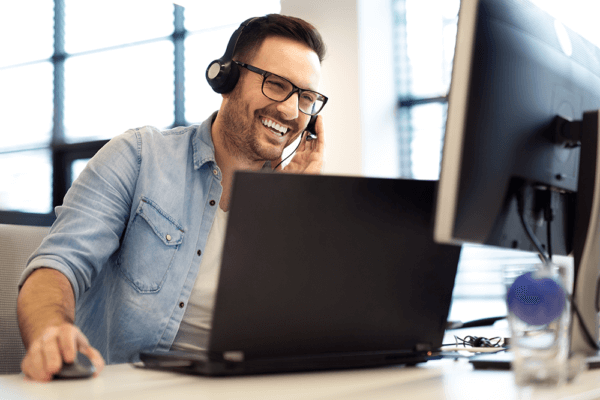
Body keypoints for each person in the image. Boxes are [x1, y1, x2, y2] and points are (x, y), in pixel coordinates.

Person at [17, 14, 327, 382]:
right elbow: (57, 267)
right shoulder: (138, 156)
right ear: (226, 79)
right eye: (276, 85)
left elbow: (302, 334)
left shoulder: (295, 198)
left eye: (306, 98)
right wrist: (51, 330)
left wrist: (292, 206)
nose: (292, 111)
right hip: (133, 386)